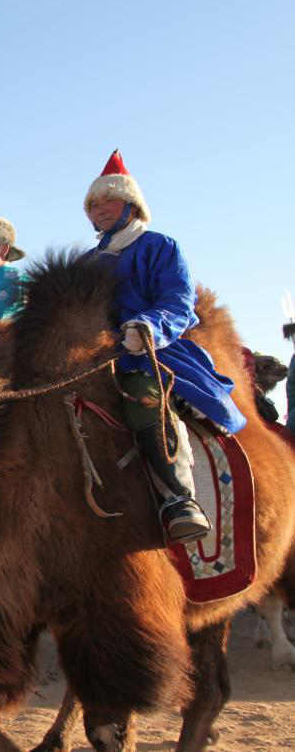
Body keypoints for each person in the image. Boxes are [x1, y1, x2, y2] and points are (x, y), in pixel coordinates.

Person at [85, 150, 246, 544]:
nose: (99, 209)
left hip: (151, 351)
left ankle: (179, 499)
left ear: (132, 204)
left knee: (143, 393)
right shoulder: (85, 261)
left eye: (108, 200)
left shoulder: (159, 246)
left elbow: (178, 302)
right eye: (93, 204)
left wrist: (148, 329)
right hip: (92, 357)